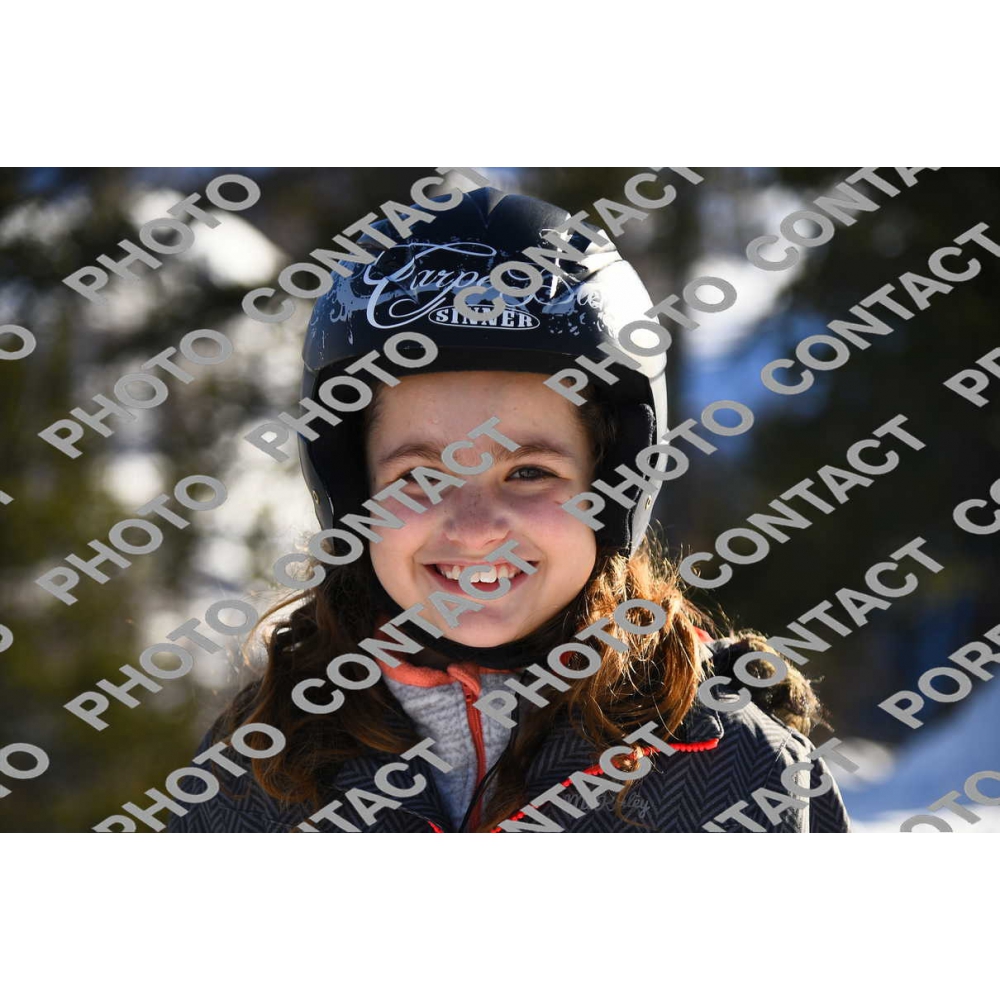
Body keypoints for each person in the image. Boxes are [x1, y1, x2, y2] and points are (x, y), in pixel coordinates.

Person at [167, 184, 851, 833]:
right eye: (420, 476)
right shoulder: (251, 775)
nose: (474, 528)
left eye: (529, 472)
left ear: (611, 486)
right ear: (354, 493)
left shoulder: (742, 772)